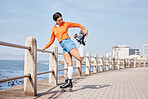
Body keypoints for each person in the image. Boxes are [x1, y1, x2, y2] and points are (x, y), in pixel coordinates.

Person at [42, 12, 88, 91]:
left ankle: (81, 43)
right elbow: (52, 39)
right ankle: (69, 82)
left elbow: (77, 24)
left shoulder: (66, 24)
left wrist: (84, 29)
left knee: (80, 58)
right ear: (55, 21)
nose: (61, 21)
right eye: (59, 20)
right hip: (63, 46)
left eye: (61, 19)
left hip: (68, 43)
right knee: (69, 64)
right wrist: (45, 47)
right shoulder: (54, 29)